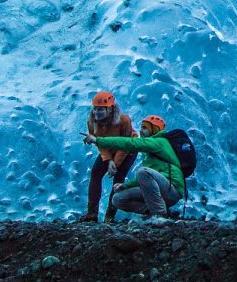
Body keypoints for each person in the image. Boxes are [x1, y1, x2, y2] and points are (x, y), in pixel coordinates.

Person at [82, 115, 184, 219]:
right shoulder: (149, 150)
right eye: (141, 127)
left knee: (143, 172)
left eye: (145, 128)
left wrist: (98, 140)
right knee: (117, 199)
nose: (141, 130)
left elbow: (129, 142)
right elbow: (147, 181)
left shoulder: (159, 142)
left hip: (171, 190)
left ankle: (159, 215)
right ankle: (161, 213)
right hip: (158, 190)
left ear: (154, 129)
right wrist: (126, 186)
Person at [78, 91, 137, 223]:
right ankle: (92, 214)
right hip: (108, 150)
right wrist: (109, 160)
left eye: (100, 109)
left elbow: (126, 144)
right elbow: (99, 143)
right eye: (95, 109)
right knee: (95, 174)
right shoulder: (91, 122)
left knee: (118, 179)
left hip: (128, 150)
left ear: (110, 109)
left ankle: (109, 217)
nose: (96, 112)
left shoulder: (124, 120)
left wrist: (115, 164)